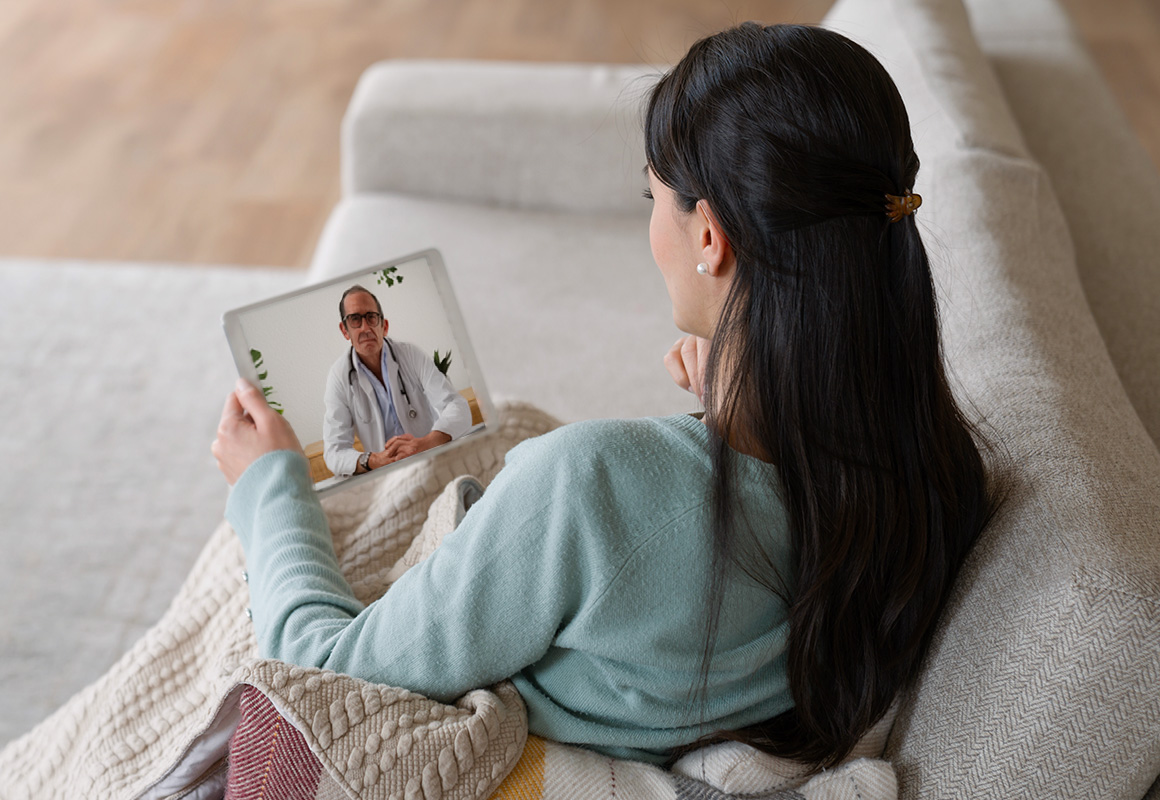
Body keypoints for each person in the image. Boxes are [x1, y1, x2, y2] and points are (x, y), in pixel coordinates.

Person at [212, 23, 993, 769]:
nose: (652, 222)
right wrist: (739, 404)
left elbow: (323, 675)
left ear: (710, 238)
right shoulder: (934, 475)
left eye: (652, 198)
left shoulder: (590, 485)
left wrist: (268, 488)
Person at [322, 284, 472, 477]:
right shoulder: (339, 377)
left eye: (371, 317)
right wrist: (373, 460)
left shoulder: (411, 355)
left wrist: (424, 444)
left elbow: (457, 407)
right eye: (355, 320)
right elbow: (334, 452)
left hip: (434, 461)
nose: (365, 327)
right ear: (345, 330)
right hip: (389, 477)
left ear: (384, 326)